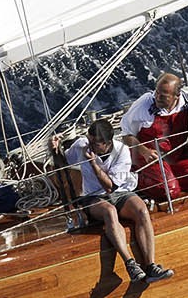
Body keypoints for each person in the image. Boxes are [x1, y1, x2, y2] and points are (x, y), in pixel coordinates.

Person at [65, 119, 172, 283]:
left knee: (142, 210)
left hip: (119, 192)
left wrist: (93, 164)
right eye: (90, 140)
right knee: (109, 211)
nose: (91, 145)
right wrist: (55, 150)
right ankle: (130, 264)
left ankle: (150, 265)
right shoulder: (82, 145)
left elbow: (110, 187)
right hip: (93, 197)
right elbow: (65, 161)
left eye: (95, 143)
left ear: (107, 143)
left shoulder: (122, 151)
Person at [121, 72, 188, 200]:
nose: (157, 97)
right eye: (156, 92)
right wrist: (145, 152)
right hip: (149, 157)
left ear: (177, 96)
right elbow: (126, 136)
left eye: (163, 96)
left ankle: (165, 176)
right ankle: (137, 178)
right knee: (170, 191)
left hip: (175, 153)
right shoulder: (144, 106)